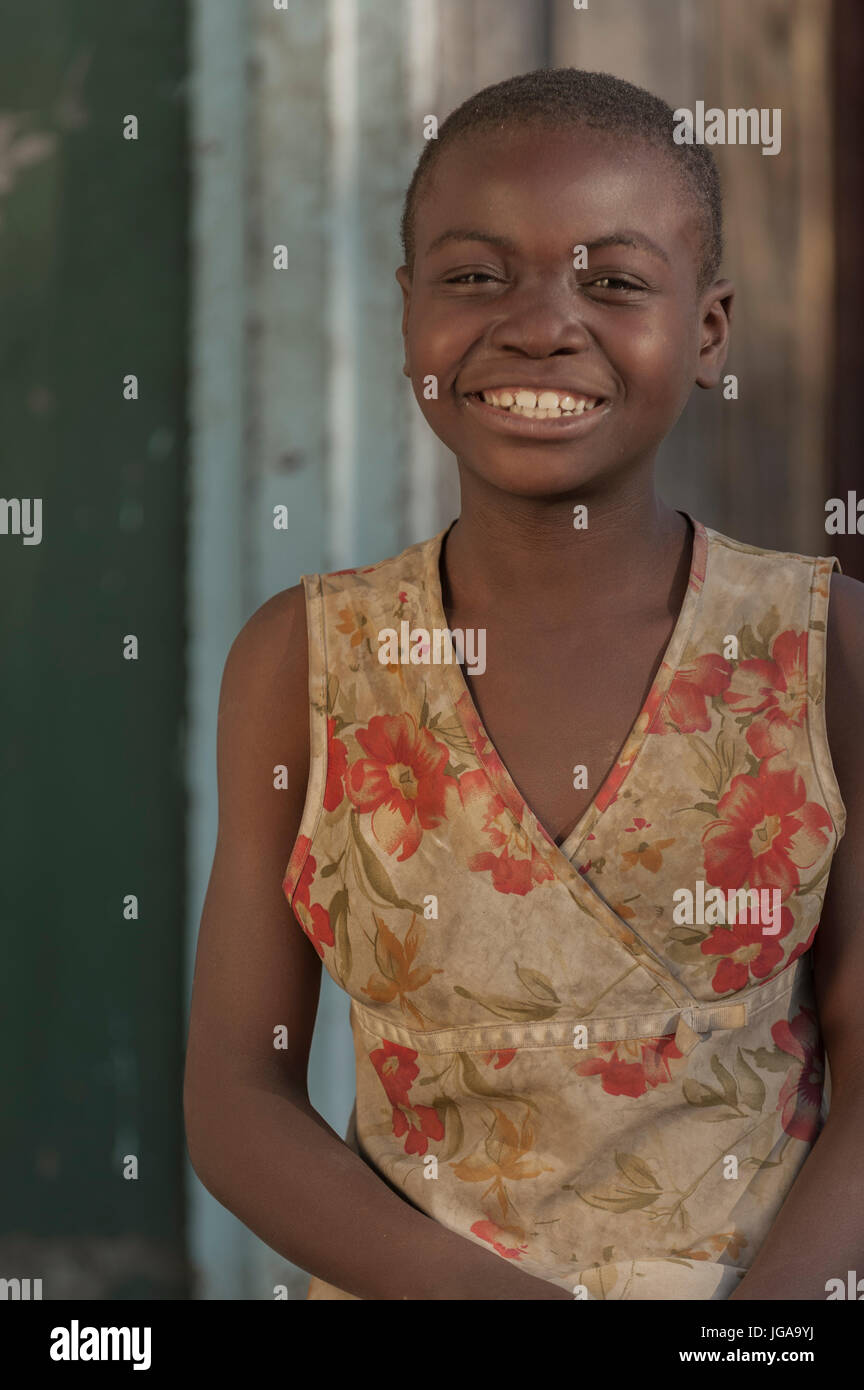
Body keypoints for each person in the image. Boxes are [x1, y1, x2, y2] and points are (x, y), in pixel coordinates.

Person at [183, 68, 864, 1301]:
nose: (543, 323)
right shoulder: (307, 660)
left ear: (708, 331)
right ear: (408, 319)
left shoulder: (823, 649)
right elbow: (238, 1094)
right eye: (477, 276)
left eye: (613, 281)